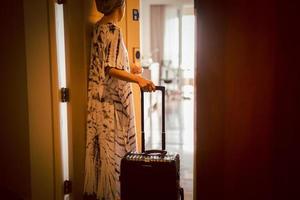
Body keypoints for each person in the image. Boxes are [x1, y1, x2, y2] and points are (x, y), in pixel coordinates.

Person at [84, 0, 156, 199]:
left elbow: (106, 63)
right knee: (116, 159)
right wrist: (138, 79)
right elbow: (110, 68)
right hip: (113, 108)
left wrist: (130, 67)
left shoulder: (99, 27)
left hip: (101, 105)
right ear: (121, 6)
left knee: (106, 161)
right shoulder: (114, 30)